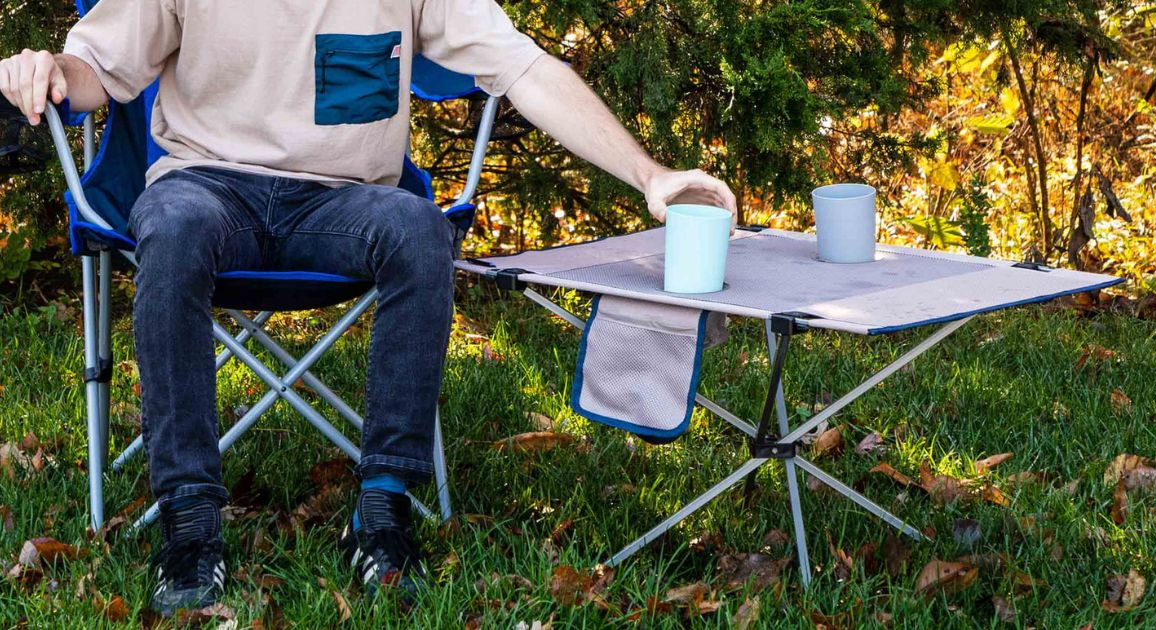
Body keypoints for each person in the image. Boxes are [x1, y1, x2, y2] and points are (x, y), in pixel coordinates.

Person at [0, 0, 737, 614]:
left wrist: (650, 174)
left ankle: (383, 506)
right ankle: (190, 520)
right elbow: (96, 71)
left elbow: (529, 71)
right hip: (206, 182)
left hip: (343, 201)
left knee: (419, 227)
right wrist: (47, 69)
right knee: (173, 226)